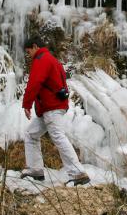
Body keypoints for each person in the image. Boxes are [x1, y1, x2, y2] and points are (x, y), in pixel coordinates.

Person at [20, 38, 90, 186]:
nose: (29, 55)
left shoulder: (41, 58)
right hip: (51, 106)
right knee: (31, 134)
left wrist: (27, 104)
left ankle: (78, 173)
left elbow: (34, 82)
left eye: (29, 52)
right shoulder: (52, 59)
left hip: (51, 107)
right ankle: (35, 170)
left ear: (35, 46)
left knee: (58, 135)